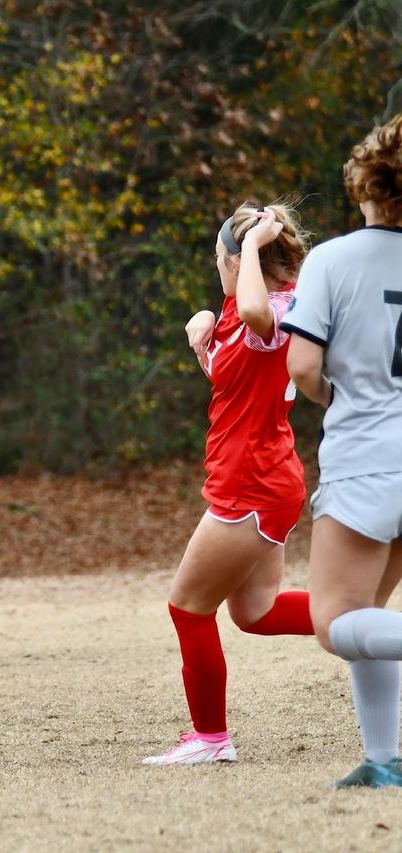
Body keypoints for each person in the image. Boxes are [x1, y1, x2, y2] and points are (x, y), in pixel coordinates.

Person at [143, 201, 313, 766]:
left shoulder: (272, 306)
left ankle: (210, 739)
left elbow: (262, 320)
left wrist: (254, 250)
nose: (217, 267)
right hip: (264, 477)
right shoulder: (246, 308)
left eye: (221, 258)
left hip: (251, 483)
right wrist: (203, 340)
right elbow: (240, 380)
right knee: (257, 612)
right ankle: (360, 619)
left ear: (240, 262)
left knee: (188, 608)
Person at [282, 113, 402, 789]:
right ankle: (384, 760)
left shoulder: (332, 257)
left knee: (335, 623)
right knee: (368, 620)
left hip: (367, 460)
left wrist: (345, 400)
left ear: (369, 180)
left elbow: (302, 367)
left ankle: (385, 758)